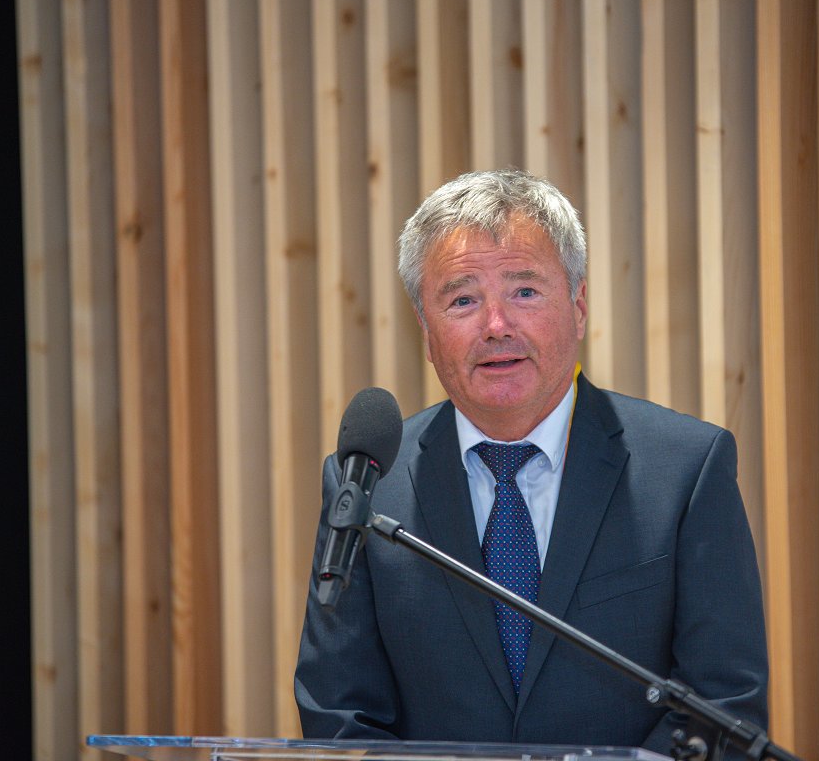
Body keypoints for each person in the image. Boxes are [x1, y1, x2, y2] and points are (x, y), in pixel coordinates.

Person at [295, 169, 767, 755]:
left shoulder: (686, 470)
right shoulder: (370, 481)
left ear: (578, 306)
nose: (496, 327)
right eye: (462, 300)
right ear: (425, 330)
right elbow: (338, 711)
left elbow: (723, 706)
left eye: (524, 291)